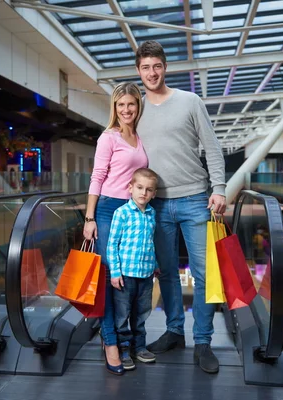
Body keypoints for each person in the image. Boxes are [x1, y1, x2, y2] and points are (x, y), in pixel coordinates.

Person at [134, 40, 227, 374]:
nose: (152, 72)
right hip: (155, 205)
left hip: (194, 200)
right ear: (138, 70)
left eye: (156, 66)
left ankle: (203, 341)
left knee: (204, 275)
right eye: (145, 67)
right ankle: (175, 332)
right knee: (167, 274)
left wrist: (219, 188)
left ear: (165, 67)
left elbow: (213, 148)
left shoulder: (190, 101)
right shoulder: (137, 109)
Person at [83, 82, 147, 376]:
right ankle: (110, 342)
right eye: (121, 105)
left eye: (131, 104)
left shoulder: (139, 137)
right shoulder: (108, 137)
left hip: (134, 212)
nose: (126, 110)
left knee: (127, 278)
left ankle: (127, 340)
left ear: (138, 106)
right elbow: (97, 177)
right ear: (114, 107)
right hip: (109, 209)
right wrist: (89, 218)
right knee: (109, 278)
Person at [106, 168, 159, 371]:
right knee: (122, 315)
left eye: (148, 190)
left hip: (145, 275)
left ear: (153, 193)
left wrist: (155, 265)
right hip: (125, 276)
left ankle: (140, 347)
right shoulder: (122, 213)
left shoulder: (152, 213)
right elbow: (113, 244)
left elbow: (149, 243)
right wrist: (115, 272)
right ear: (130, 188)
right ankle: (124, 349)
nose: (143, 193)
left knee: (141, 313)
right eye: (139, 188)